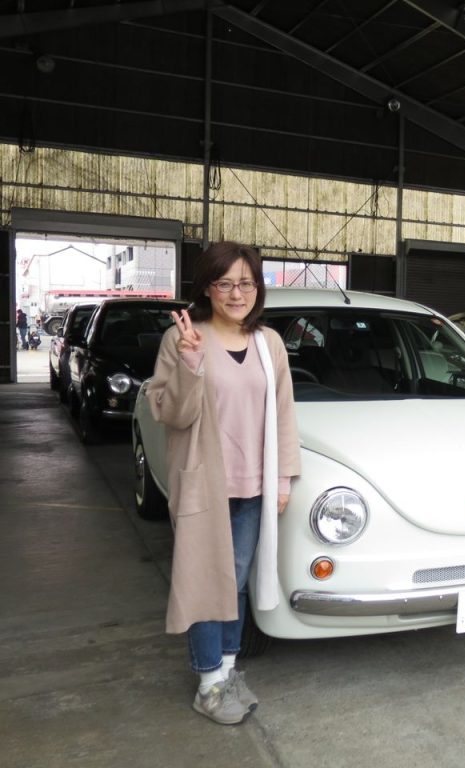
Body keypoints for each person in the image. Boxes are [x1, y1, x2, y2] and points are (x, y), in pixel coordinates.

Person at [146, 241, 301, 725]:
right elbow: (171, 413)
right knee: (203, 582)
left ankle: (228, 670)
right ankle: (208, 683)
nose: (237, 294)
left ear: (258, 288)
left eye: (247, 283)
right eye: (226, 283)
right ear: (207, 288)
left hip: (255, 487)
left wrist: (282, 478)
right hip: (204, 484)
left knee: (236, 582)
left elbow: (284, 414)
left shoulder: (269, 343)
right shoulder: (183, 339)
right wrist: (190, 363)